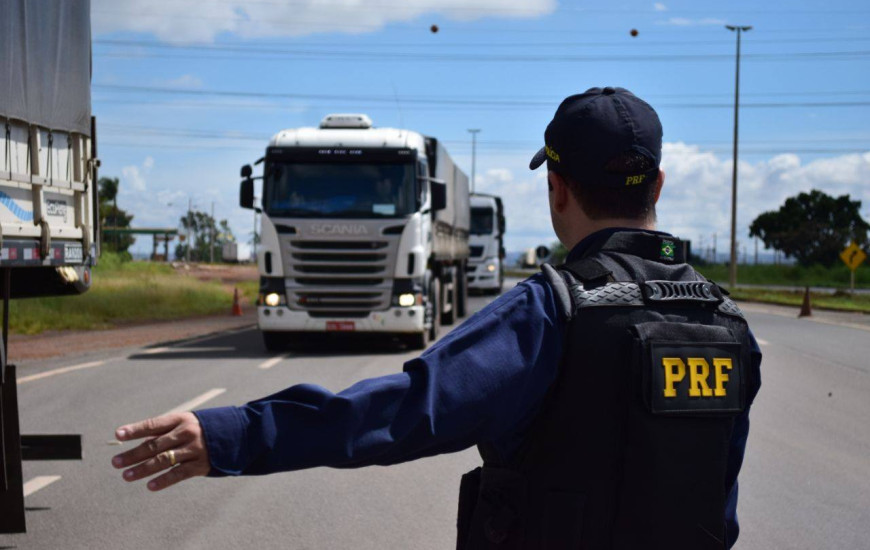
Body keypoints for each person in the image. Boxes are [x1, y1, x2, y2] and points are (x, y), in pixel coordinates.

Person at [112, 87, 761, 549]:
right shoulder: (728, 322)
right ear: (659, 185)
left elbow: (402, 413)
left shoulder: (553, 310)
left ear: (556, 189)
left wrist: (233, 436)